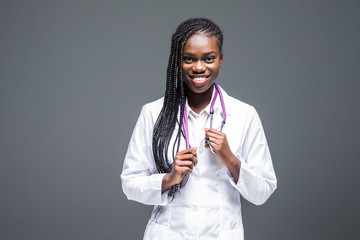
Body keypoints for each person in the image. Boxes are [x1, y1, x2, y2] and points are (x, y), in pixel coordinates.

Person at [121, 18, 277, 240]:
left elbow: (263, 192)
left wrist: (231, 160)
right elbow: (130, 184)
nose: (199, 67)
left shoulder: (244, 115)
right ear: (177, 61)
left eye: (209, 59)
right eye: (189, 59)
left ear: (220, 60)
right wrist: (170, 178)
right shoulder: (152, 113)